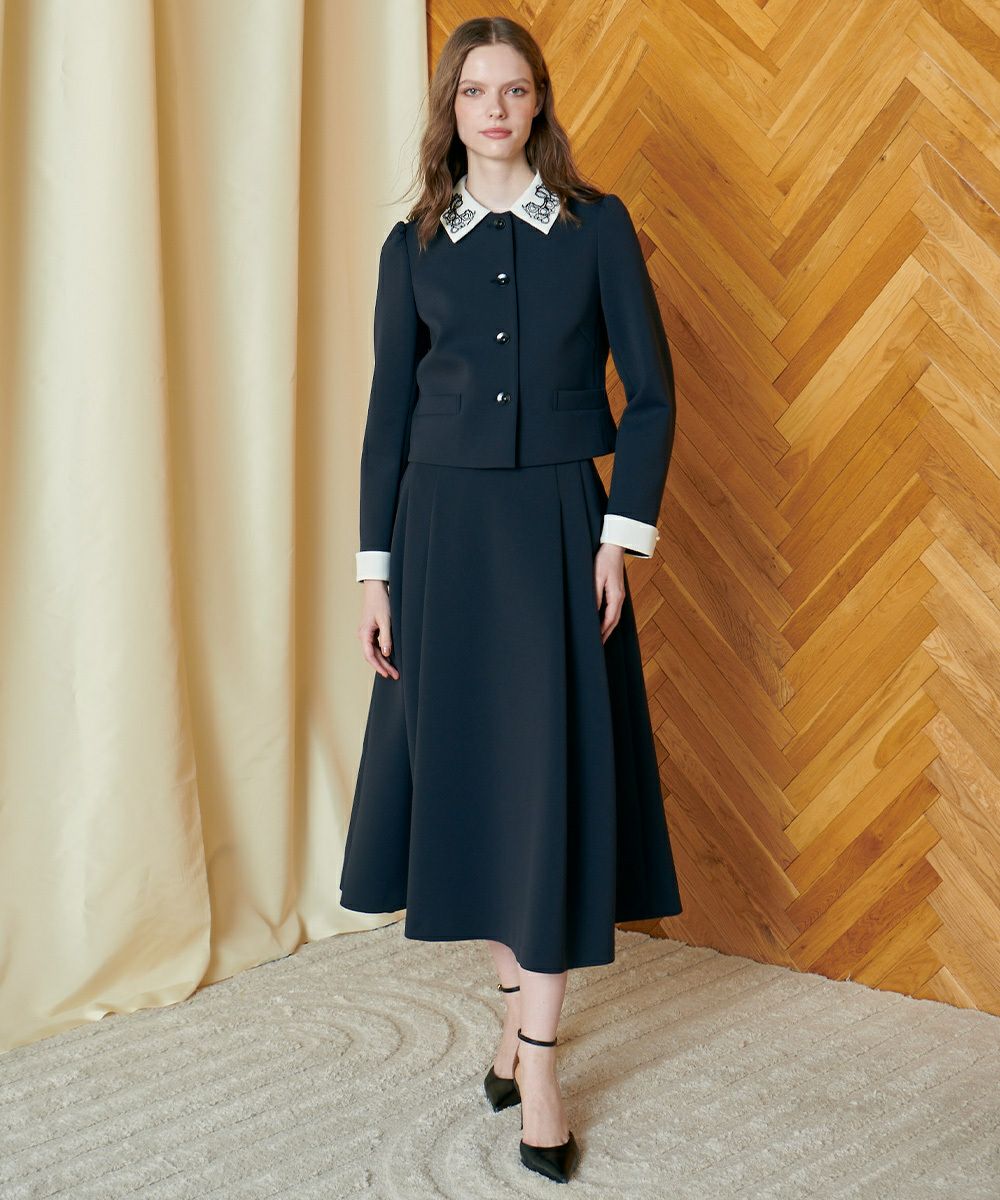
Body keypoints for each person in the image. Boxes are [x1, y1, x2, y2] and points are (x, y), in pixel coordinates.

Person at [339, 16, 683, 1185]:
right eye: (475, 90)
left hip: (554, 533)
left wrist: (617, 539)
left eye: (516, 89)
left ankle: (536, 1064)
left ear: (540, 104)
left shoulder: (596, 228)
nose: (495, 108)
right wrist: (374, 573)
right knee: (473, 791)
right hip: (436, 539)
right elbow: (387, 421)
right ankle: (513, 1023)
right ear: (451, 107)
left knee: (546, 787)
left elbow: (650, 396)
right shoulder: (411, 247)